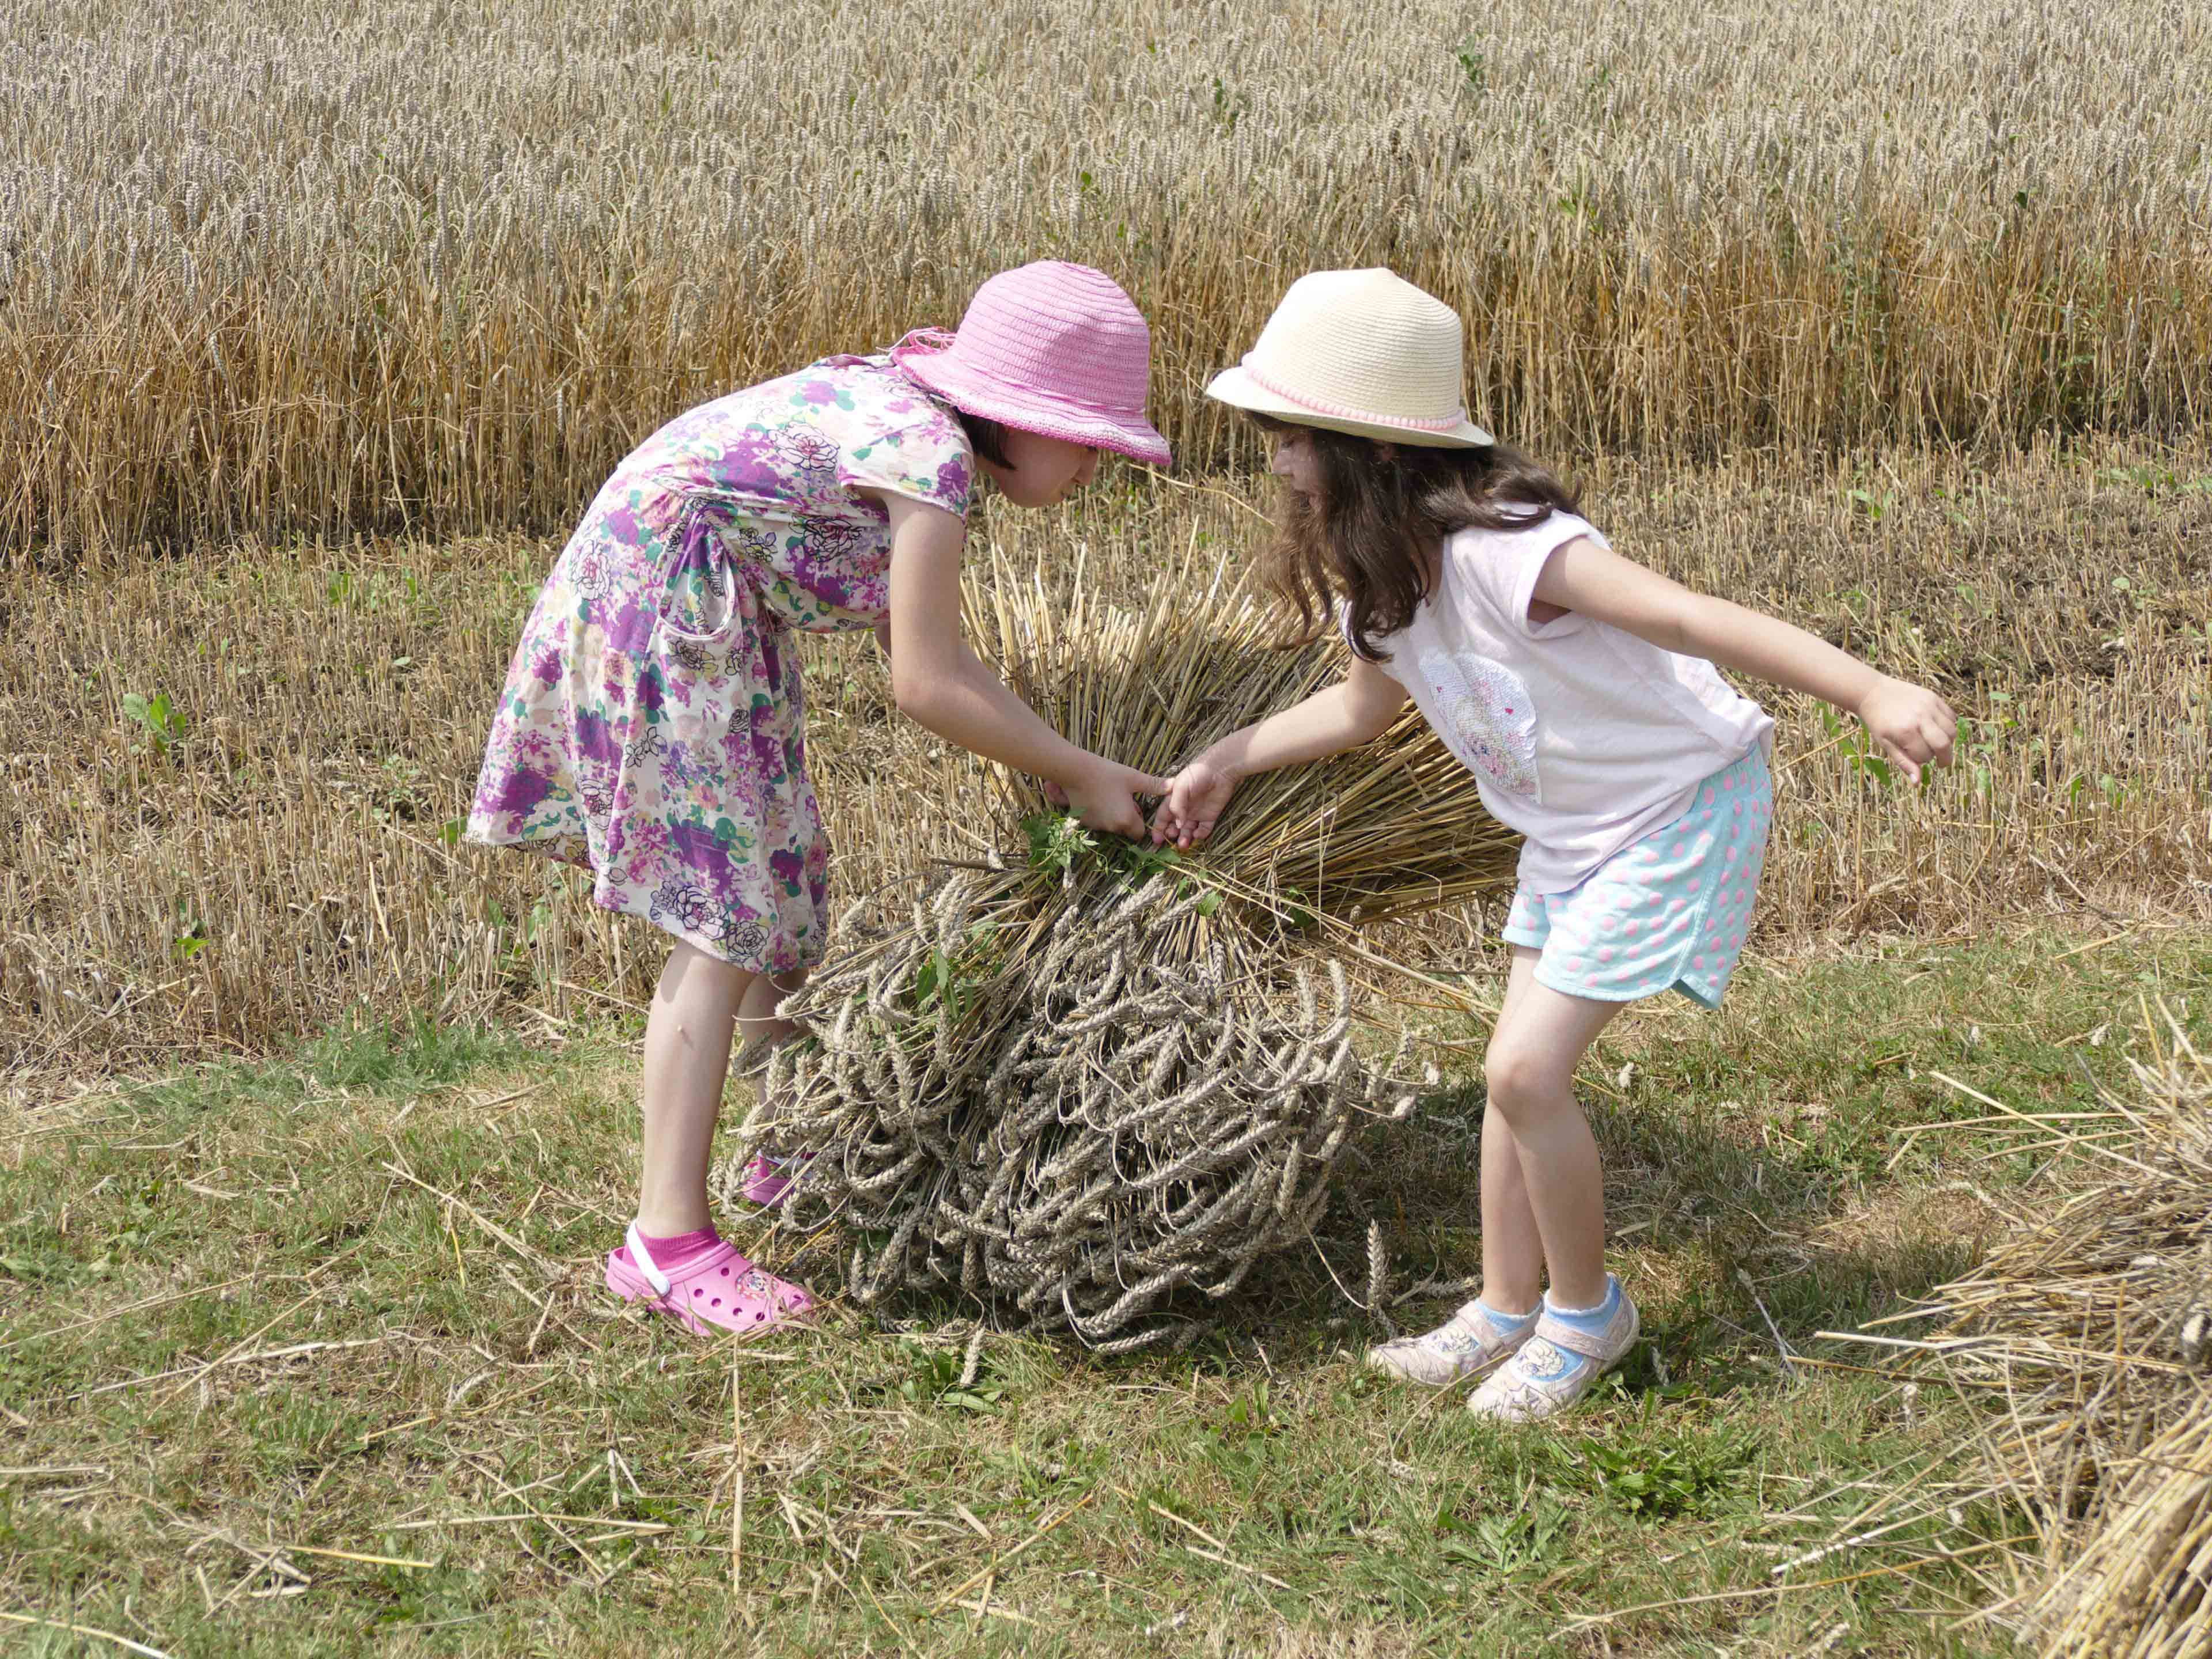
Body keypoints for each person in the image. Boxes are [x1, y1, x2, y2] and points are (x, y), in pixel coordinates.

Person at [1152, 269, 1956, 1420]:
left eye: (1290, 433)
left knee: (1526, 1073)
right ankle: (1504, 1302)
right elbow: (1360, 713)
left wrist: (1870, 685)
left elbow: (1690, 616)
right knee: (1512, 1080)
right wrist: (1231, 754)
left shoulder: (1514, 552)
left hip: (1679, 807)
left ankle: (1588, 1319)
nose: (1273, 459)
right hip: (1573, 835)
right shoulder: (1384, 586)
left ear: (1372, 449)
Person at [467, 262, 1173, 1339]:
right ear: (1021, 419)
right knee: (726, 920)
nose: (1096, 466)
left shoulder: (909, 419)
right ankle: (667, 1241)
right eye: (1092, 440)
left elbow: (927, 651)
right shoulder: (930, 457)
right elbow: (925, 684)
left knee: (784, 875)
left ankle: (781, 1145)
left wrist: (1060, 762)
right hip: (670, 615)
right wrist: (1078, 772)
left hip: (705, 612)